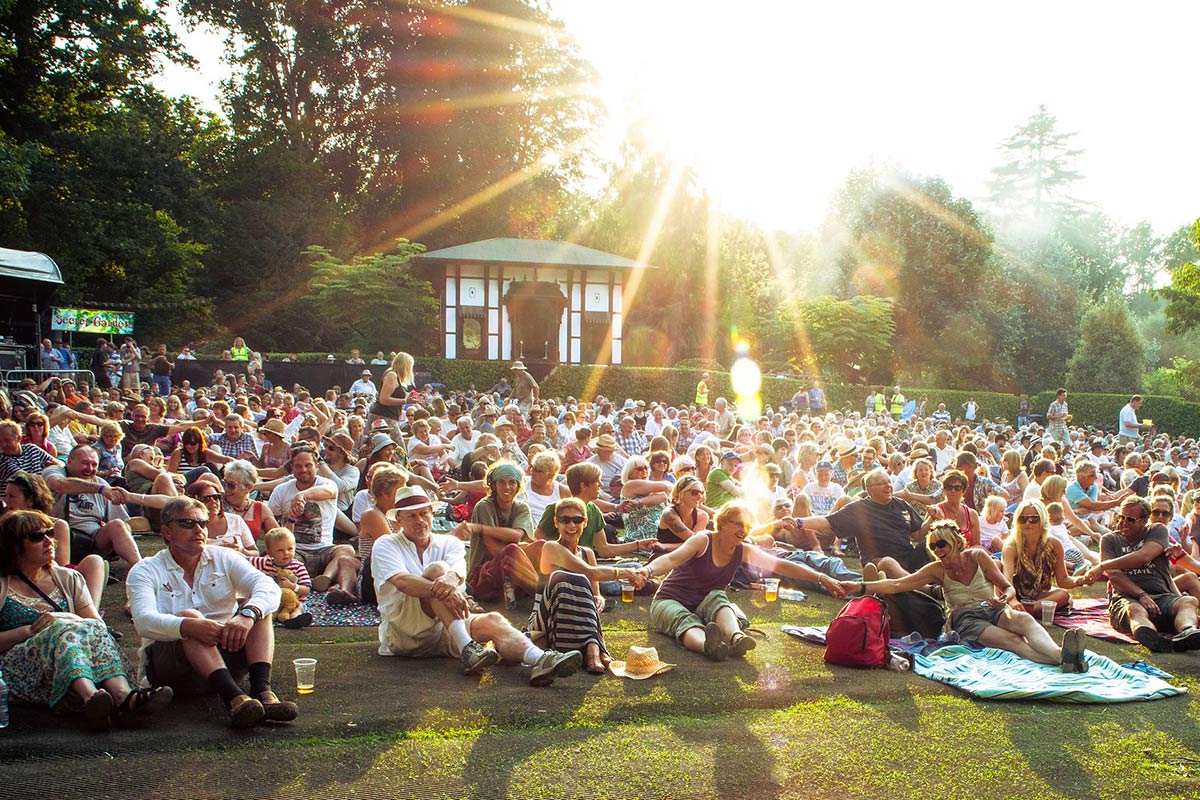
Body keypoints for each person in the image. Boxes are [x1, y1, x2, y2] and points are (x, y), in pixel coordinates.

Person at [373, 486, 583, 685]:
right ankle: (467, 648)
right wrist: (446, 589)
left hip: (444, 629)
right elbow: (402, 582)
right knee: (437, 570)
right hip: (404, 633)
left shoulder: (450, 543)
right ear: (399, 520)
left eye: (424, 513)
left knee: (494, 620)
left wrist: (450, 582)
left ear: (431, 514)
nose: (420, 520)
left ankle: (541, 659)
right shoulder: (385, 543)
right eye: (412, 515)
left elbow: (458, 572)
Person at [127, 496, 296, 728]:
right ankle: (234, 700)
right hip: (171, 667)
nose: (198, 530)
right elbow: (144, 621)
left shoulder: (224, 557)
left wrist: (246, 616)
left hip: (224, 654)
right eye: (187, 523)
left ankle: (262, 693)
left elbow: (268, 587)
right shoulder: (145, 570)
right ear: (167, 532)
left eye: (203, 523)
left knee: (258, 609)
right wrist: (189, 626)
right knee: (190, 617)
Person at [0, 509, 172, 729]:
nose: (48, 540)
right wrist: (31, 631)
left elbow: (96, 625)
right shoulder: (3, 584)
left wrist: (61, 617)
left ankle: (118, 694)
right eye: (36, 536)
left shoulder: (68, 577)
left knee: (86, 625)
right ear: (14, 546)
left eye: (50, 533)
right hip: (19, 671)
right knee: (64, 629)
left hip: (68, 664)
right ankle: (96, 696)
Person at [845, 519, 1087, 672]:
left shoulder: (979, 557)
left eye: (941, 544)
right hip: (966, 619)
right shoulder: (936, 569)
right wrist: (858, 587)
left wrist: (1004, 598)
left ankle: (1061, 653)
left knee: (1024, 621)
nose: (937, 550)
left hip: (995, 608)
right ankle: (1064, 660)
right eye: (933, 546)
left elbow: (1007, 586)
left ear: (955, 542)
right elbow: (899, 584)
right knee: (1012, 641)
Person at [644, 501, 848, 661]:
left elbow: (780, 565)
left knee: (717, 596)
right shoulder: (703, 540)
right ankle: (709, 646)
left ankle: (736, 638)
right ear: (722, 523)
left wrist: (821, 577)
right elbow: (671, 559)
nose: (743, 530)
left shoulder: (743, 550)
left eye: (748, 526)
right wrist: (647, 570)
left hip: (702, 604)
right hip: (669, 600)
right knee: (685, 620)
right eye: (738, 523)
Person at [529, 496, 645, 674]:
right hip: (547, 619)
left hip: (578, 619)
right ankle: (593, 648)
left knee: (584, 584)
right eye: (564, 520)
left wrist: (599, 600)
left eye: (577, 520)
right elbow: (591, 573)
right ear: (556, 522)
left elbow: (596, 593)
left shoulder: (588, 553)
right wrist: (626, 572)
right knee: (564, 577)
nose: (571, 525)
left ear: (585, 522)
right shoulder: (551, 547)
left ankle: (590, 647)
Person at [1083, 496, 1200, 652]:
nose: (1123, 523)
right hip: (1128, 597)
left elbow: (1143, 556)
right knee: (1135, 609)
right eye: (1121, 517)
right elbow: (1115, 576)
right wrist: (1141, 595)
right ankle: (1151, 637)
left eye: (1130, 519)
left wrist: (1102, 565)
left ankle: (1188, 632)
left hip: (1163, 596)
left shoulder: (1157, 531)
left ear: (1144, 520)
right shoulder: (1110, 539)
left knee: (1188, 601)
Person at [266, 446, 358, 604]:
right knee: (278, 559)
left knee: (346, 550)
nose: (303, 470)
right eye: (298, 466)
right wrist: (291, 519)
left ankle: (335, 586)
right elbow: (277, 533)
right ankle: (305, 584)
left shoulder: (328, 484)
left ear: (316, 466)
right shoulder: (281, 491)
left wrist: (301, 495)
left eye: (308, 465)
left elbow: (329, 492)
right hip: (296, 551)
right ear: (292, 468)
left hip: (324, 550)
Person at [44, 445, 141, 569]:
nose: (89, 469)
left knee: (117, 525)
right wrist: (99, 489)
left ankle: (140, 569)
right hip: (58, 537)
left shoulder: (102, 483)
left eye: (94, 465)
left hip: (93, 541)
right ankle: (65, 575)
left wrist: (120, 538)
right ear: (69, 461)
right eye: (85, 463)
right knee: (61, 526)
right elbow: (59, 485)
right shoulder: (54, 471)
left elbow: (122, 522)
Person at [462, 461, 537, 602]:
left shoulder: (521, 508)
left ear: (518, 486)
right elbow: (494, 549)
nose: (507, 487)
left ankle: (543, 591)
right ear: (494, 485)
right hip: (484, 576)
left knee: (540, 546)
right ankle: (543, 596)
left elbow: (518, 535)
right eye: (501, 482)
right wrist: (517, 549)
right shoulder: (484, 506)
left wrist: (481, 528)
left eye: (512, 483)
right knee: (512, 551)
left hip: (512, 573)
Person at [1001, 499, 1088, 615]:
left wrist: (1081, 579)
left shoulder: (1054, 544)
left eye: (1034, 519)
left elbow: (1063, 580)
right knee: (997, 567)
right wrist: (1013, 601)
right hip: (1014, 594)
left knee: (1063, 595)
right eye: (1023, 519)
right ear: (1017, 522)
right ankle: (1025, 610)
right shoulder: (1011, 546)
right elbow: (1007, 581)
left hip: (1038, 595)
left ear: (1043, 520)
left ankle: (1025, 611)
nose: (1028, 523)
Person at [187, 481, 256, 557]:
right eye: (206, 499)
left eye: (216, 497)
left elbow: (255, 553)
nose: (213, 502)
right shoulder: (189, 526)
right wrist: (218, 551)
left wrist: (242, 550)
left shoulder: (235, 520)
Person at [368, 351, 415, 440]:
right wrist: (405, 401)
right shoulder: (392, 375)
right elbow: (384, 399)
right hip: (384, 416)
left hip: (389, 415)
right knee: (398, 448)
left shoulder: (392, 374)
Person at [656, 475, 710, 551]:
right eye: (694, 492)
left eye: (701, 492)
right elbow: (695, 542)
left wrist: (665, 546)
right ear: (682, 493)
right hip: (664, 557)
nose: (699, 497)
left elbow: (696, 544)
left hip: (686, 557)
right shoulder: (669, 514)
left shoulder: (702, 516)